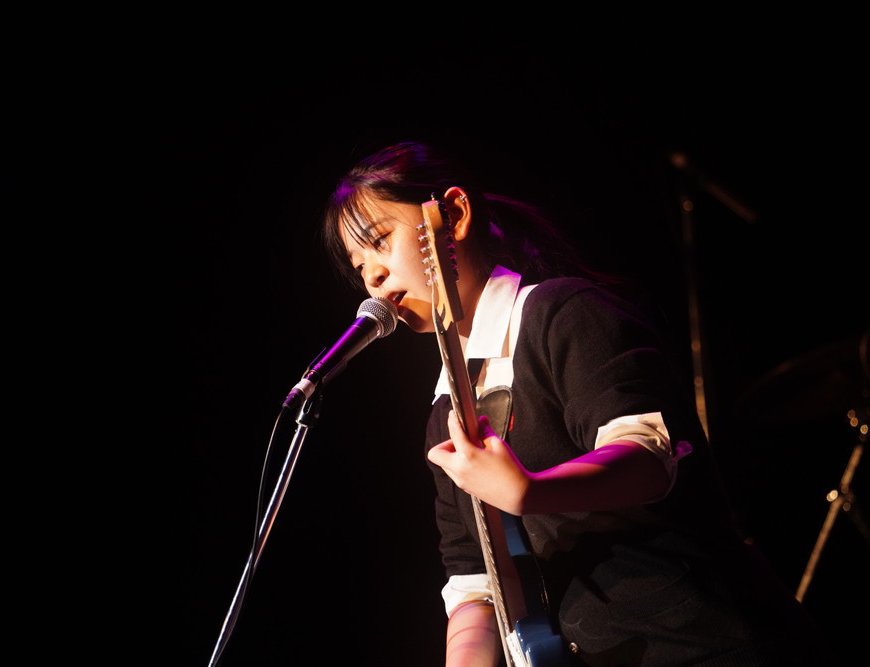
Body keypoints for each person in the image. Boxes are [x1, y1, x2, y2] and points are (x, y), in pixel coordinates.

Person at [319, 141, 832, 666]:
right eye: (359, 266)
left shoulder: (565, 315)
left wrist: (530, 490)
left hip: (705, 643)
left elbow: (645, 456)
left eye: (380, 241)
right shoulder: (443, 415)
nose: (372, 276)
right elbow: (474, 581)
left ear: (453, 214)